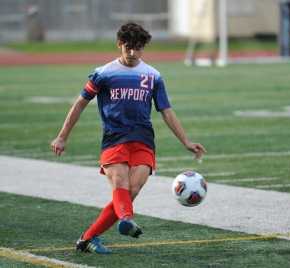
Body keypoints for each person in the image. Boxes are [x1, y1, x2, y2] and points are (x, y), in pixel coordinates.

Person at [51, 22, 206, 254]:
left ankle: (87, 238)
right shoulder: (103, 74)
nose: (133, 53)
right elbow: (80, 104)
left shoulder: (153, 76)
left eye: (138, 48)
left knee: (131, 191)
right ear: (119, 45)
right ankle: (126, 219)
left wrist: (186, 141)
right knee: (120, 185)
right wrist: (62, 136)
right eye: (128, 48)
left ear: (144, 48)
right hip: (114, 139)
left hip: (143, 140)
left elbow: (166, 110)